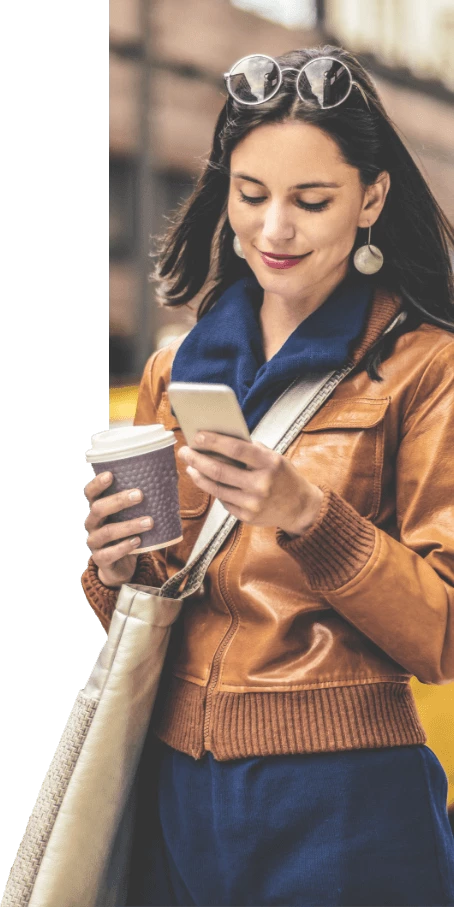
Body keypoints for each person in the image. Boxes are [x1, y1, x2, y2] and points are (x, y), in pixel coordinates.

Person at [82, 46, 454, 907]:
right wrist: (114, 565)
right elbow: (154, 609)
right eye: (251, 196)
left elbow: (442, 634)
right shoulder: (176, 373)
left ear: (372, 198)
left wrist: (306, 513)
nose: (275, 229)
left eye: (310, 200)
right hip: (175, 790)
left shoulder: (426, 370)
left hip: (345, 804)